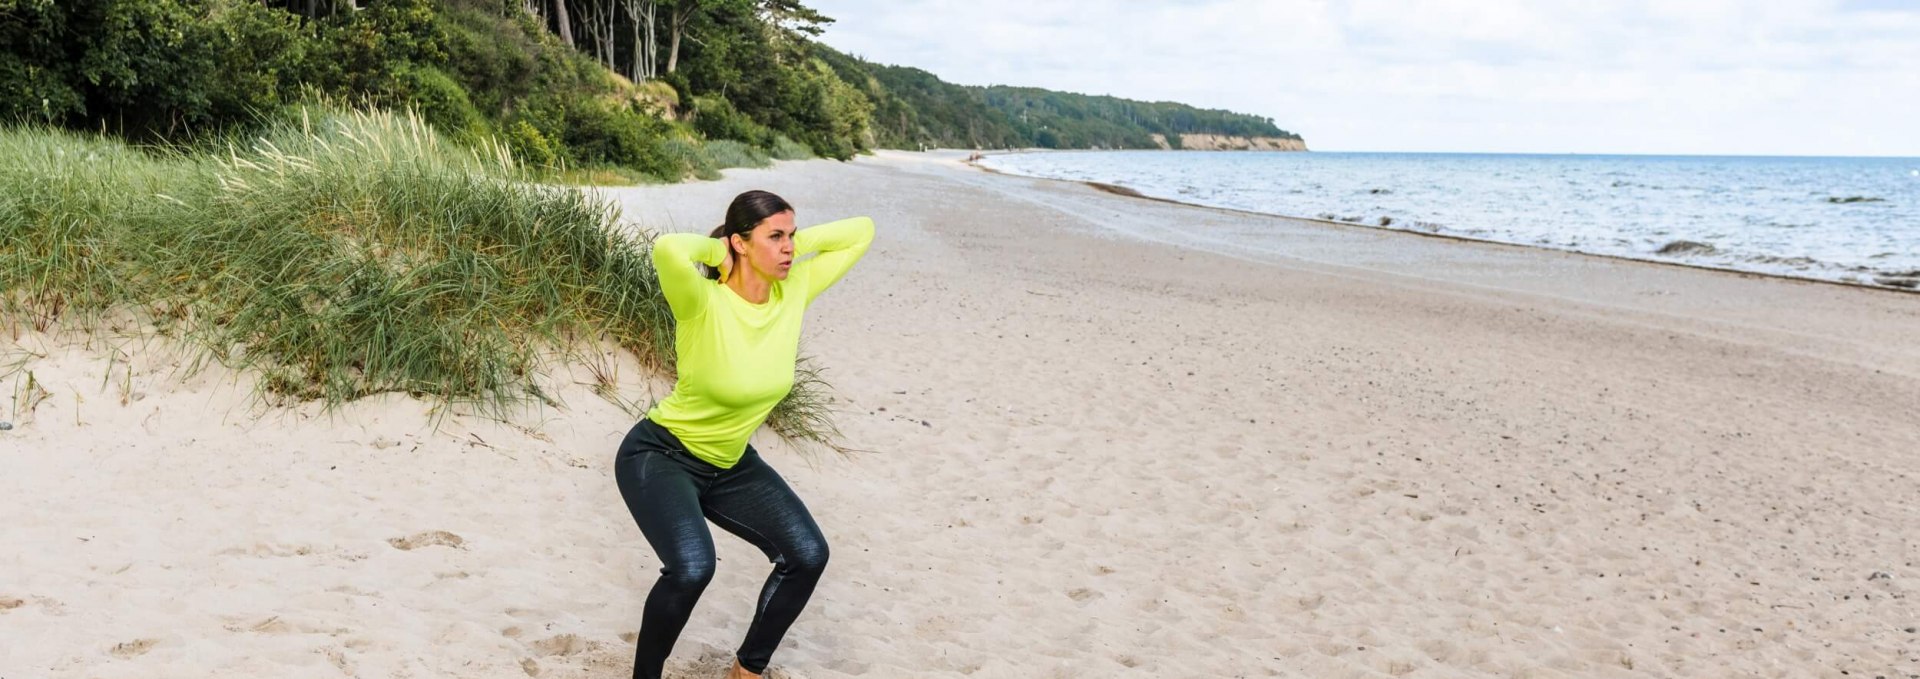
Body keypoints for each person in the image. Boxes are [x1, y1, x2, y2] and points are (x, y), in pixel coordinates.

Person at [613, 189, 874, 679]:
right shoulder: (701, 301)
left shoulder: (793, 291)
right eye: (775, 237)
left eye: (792, 236)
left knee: (807, 555)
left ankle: (745, 671)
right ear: (739, 242)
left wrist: (787, 242)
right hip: (662, 455)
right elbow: (667, 249)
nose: (789, 248)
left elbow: (861, 231)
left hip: (730, 464)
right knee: (693, 568)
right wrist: (723, 253)